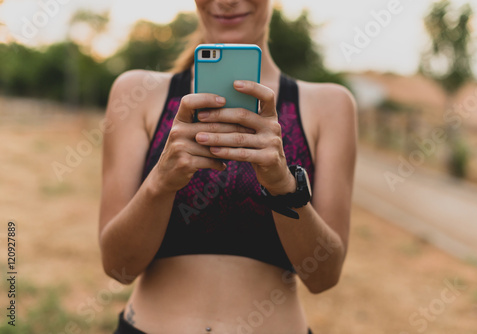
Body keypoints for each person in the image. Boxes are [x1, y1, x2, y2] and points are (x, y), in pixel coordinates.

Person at [98, 0, 357, 333]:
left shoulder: (331, 105)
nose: (226, 1)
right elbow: (118, 267)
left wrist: (283, 187)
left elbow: (324, 276)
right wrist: (160, 182)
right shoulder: (136, 92)